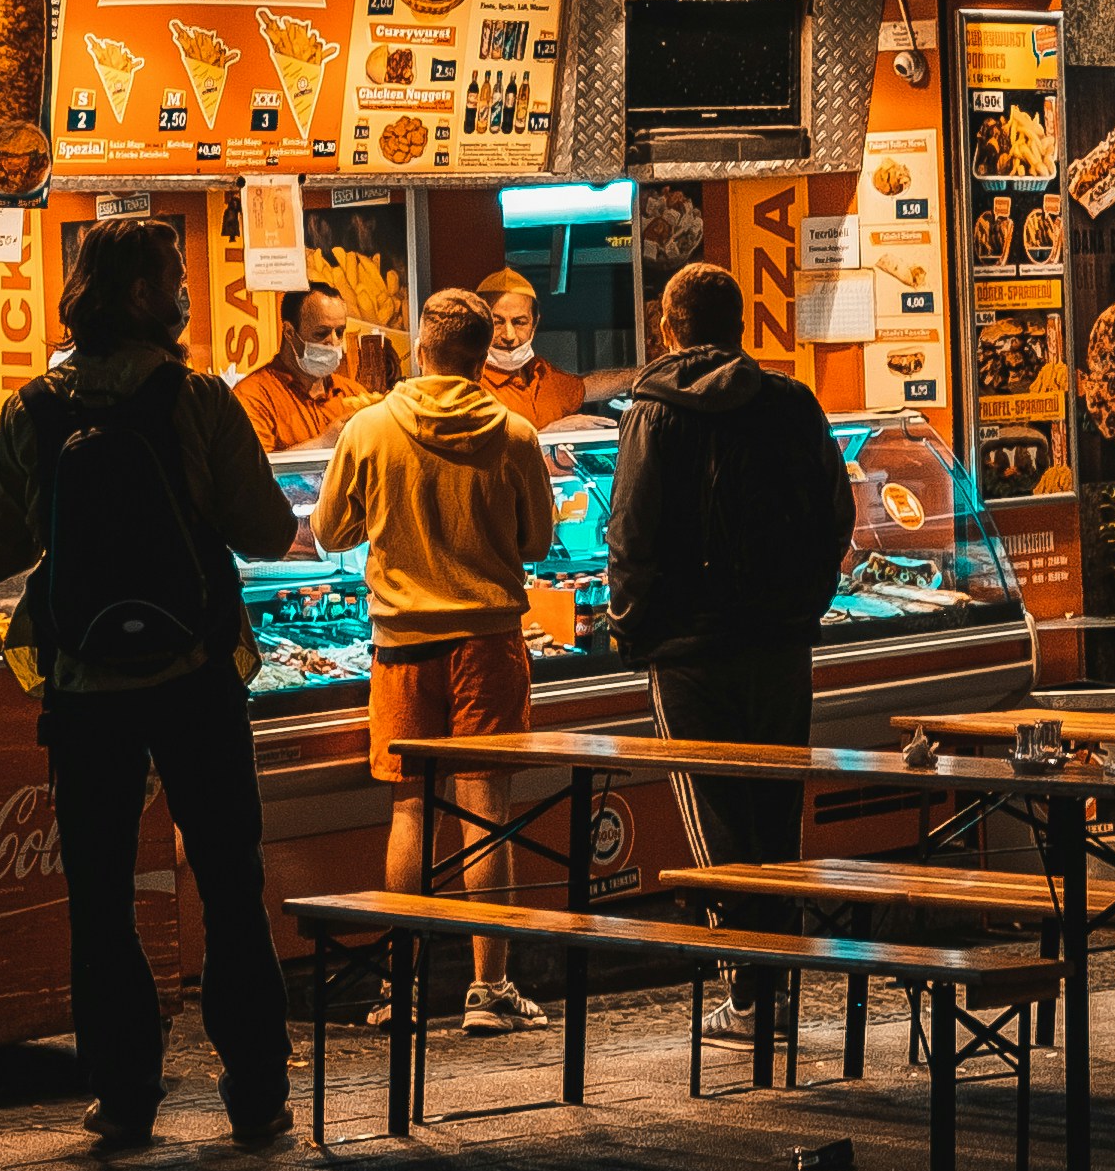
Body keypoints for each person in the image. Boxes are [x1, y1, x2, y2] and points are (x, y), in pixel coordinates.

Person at [0, 213, 306, 1154]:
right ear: (151, 297)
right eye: (176, 277)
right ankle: (257, 1092)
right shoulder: (197, 399)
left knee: (101, 893)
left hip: (82, 689)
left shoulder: (31, 407)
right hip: (197, 675)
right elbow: (270, 533)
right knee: (231, 879)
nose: (190, 292)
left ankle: (122, 1095)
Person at [313, 286, 561, 1033]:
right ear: (484, 356)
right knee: (486, 812)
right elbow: (538, 545)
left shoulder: (369, 427)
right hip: (488, 643)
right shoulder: (515, 433)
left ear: (421, 347)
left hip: (401, 647)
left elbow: (328, 529)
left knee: (412, 808)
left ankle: (401, 991)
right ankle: (488, 994)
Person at [609, 261, 855, 1008]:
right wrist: (806, 601)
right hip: (780, 640)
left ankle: (748, 990)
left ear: (668, 327)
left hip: (687, 649)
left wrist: (629, 627)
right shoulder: (791, 403)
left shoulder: (650, 412)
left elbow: (631, 532)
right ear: (741, 325)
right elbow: (837, 513)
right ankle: (774, 980)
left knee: (714, 812)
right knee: (778, 806)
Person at [232, 284, 378, 454]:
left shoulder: (353, 393)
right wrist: (323, 444)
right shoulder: (252, 397)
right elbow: (254, 471)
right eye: (321, 333)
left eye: (339, 332)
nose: (333, 342)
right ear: (289, 332)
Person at [475, 267, 593, 431]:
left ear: (534, 323)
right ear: (478, 323)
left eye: (519, 322)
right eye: (497, 322)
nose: (509, 336)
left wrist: (638, 375)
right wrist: (548, 435)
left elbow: (586, 387)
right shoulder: (468, 385)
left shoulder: (540, 371)